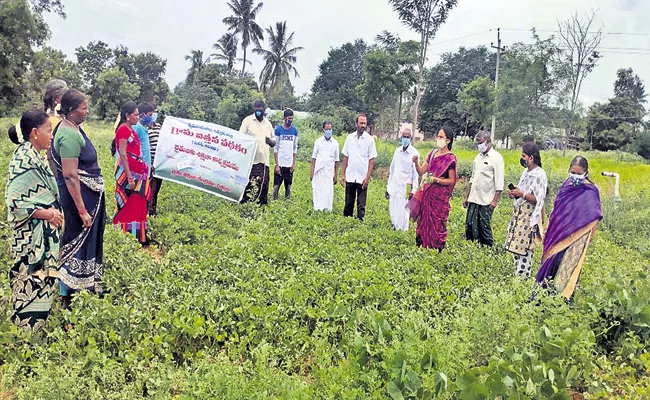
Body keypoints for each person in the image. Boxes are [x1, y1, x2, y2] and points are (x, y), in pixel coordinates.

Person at [6, 110, 64, 330]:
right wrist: (48, 214)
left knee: (42, 282)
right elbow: (16, 202)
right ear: (34, 133)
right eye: (48, 130)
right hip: (29, 237)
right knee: (29, 279)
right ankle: (24, 333)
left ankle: (36, 329)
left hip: (42, 234)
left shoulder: (33, 155)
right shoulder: (24, 159)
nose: (51, 135)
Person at [51, 89, 106, 306]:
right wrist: (83, 210)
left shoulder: (72, 128)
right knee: (76, 238)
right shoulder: (69, 135)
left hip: (85, 197)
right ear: (72, 111)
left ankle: (84, 284)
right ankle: (69, 292)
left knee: (84, 239)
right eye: (84, 107)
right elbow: (71, 175)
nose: (87, 111)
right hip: (78, 200)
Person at [536, 156, 602, 300]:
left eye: (579, 174)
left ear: (585, 173)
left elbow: (593, 216)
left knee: (567, 266)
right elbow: (558, 208)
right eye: (573, 172)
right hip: (558, 232)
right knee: (552, 262)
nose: (575, 176)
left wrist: (589, 237)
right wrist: (550, 224)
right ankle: (544, 296)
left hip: (576, 236)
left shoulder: (590, 191)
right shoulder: (567, 185)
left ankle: (562, 301)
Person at [409, 126, 457, 251]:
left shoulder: (450, 158)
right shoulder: (432, 154)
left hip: (439, 198)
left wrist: (436, 180)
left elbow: (452, 180)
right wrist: (416, 163)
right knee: (423, 221)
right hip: (427, 195)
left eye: (441, 137)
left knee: (437, 223)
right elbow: (421, 172)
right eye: (438, 136)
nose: (438, 139)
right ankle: (423, 245)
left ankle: (436, 248)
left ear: (448, 140)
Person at [505, 142, 548, 279]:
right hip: (520, 213)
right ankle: (518, 274)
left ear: (531, 158)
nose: (522, 158)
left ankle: (523, 276)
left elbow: (537, 198)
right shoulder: (526, 172)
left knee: (526, 248)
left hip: (529, 215)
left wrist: (521, 194)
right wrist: (515, 192)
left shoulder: (539, 175)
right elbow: (523, 189)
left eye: (523, 156)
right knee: (517, 244)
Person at [113, 102, 151, 245]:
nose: (137, 117)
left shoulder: (131, 129)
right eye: (135, 115)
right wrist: (129, 176)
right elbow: (123, 154)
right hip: (128, 174)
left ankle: (137, 234)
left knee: (138, 203)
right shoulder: (123, 130)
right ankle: (126, 234)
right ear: (127, 116)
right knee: (131, 203)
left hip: (138, 173)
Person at [464, 131, 504, 247]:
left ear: (487, 141)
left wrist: (494, 200)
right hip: (474, 198)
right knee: (470, 224)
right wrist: (467, 197)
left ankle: (488, 248)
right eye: (477, 143)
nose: (479, 145)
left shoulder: (496, 158)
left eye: (480, 142)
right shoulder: (477, 158)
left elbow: (499, 182)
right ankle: (473, 247)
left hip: (487, 199)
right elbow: (472, 178)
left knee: (484, 226)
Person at [341, 113, 377, 221]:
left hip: (362, 177)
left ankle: (359, 225)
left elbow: (371, 161)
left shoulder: (370, 140)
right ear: (356, 124)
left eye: (364, 123)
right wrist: (343, 175)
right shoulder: (349, 138)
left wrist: (367, 178)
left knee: (361, 205)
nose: (363, 125)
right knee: (348, 203)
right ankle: (347, 224)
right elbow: (346, 157)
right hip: (351, 175)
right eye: (361, 123)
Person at [239, 100, 276, 205]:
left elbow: (274, 140)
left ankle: (261, 206)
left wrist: (271, 142)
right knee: (250, 184)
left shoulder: (268, 124)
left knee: (263, 184)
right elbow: (240, 137)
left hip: (264, 161)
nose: (258, 109)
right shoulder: (248, 121)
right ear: (253, 108)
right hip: (251, 161)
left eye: (260, 107)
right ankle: (246, 205)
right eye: (256, 107)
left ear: (264, 109)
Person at [386, 128, 419, 231]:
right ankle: (394, 227)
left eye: (407, 137)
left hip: (405, 187)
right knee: (393, 207)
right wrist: (388, 187)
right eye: (404, 137)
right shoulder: (397, 151)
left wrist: (413, 190)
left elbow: (415, 174)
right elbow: (392, 169)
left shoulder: (414, 153)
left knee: (404, 211)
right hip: (394, 185)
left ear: (411, 138)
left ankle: (403, 231)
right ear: (401, 138)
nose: (405, 139)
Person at [310, 121, 340, 212]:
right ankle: (318, 209)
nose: (328, 131)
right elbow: (314, 158)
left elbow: (337, 160)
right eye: (327, 129)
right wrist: (312, 172)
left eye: (330, 129)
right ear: (323, 130)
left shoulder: (335, 143)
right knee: (318, 191)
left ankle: (327, 210)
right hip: (319, 171)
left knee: (328, 192)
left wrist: (336, 175)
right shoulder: (318, 142)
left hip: (329, 172)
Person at [43, 79, 68, 178]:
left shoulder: (57, 118)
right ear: (57, 99)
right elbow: (52, 154)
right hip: (55, 170)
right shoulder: (53, 121)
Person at [273, 109, 298, 200]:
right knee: (276, 186)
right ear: (284, 118)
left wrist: (293, 163)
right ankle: (275, 201)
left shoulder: (294, 131)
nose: (290, 120)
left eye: (292, 118)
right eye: (289, 118)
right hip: (280, 162)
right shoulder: (278, 130)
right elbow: (276, 148)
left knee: (288, 186)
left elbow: (295, 148)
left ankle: (287, 202)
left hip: (289, 163)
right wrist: (277, 164)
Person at [133, 102, 156, 169]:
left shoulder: (144, 129)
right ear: (143, 115)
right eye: (150, 115)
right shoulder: (137, 128)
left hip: (145, 169)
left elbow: (145, 150)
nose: (151, 118)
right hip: (139, 169)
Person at [147, 118, 163, 216]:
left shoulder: (159, 127)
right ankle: (149, 211)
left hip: (159, 164)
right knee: (150, 187)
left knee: (156, 187)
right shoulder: (144, 129)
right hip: (150, 163)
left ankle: (153, 208)